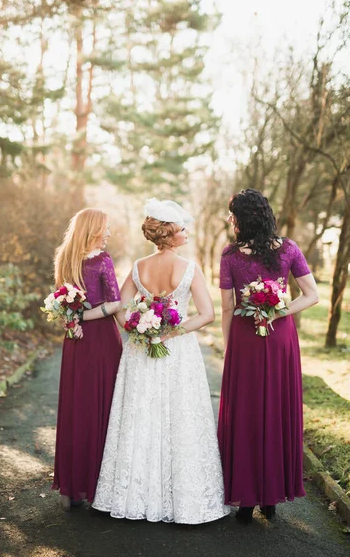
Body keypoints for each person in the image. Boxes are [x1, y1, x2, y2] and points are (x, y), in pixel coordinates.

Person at [92, 198, 230, 524]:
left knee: (141, 417)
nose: (187, 233)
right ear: (169, 233)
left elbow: (118, 307)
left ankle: (135, 494)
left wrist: (137, 328)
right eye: (182, 229)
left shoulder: (139, 266)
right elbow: (208, 315)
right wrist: (173, 331)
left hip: (141, 349)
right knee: (180, 417)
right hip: (177, 350)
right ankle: (183, 500)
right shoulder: (190, 268)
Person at [218, 189, 319, 523]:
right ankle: (271, 498)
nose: (230, 220)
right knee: (276, 409)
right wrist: (278, 313)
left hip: (246, 338)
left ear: (242, 218)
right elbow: (311, 295)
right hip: (280, 337)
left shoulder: (230, 255)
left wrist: (229, 347)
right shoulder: (288, 248)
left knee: (246, 413)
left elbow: (228, 308)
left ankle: (245, 501)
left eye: (232, 214)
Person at [52, 208, 122, 511]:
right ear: (93, 229)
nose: (107, 234)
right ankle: (99, 484)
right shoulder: (102, 261)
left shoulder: (64, 258)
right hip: (101, 340)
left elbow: (61, 303)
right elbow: (114, 302)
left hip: (75, 341)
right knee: (105, 405)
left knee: (76, 407)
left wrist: (74, 319)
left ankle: (71, 487)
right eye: (104, 228)